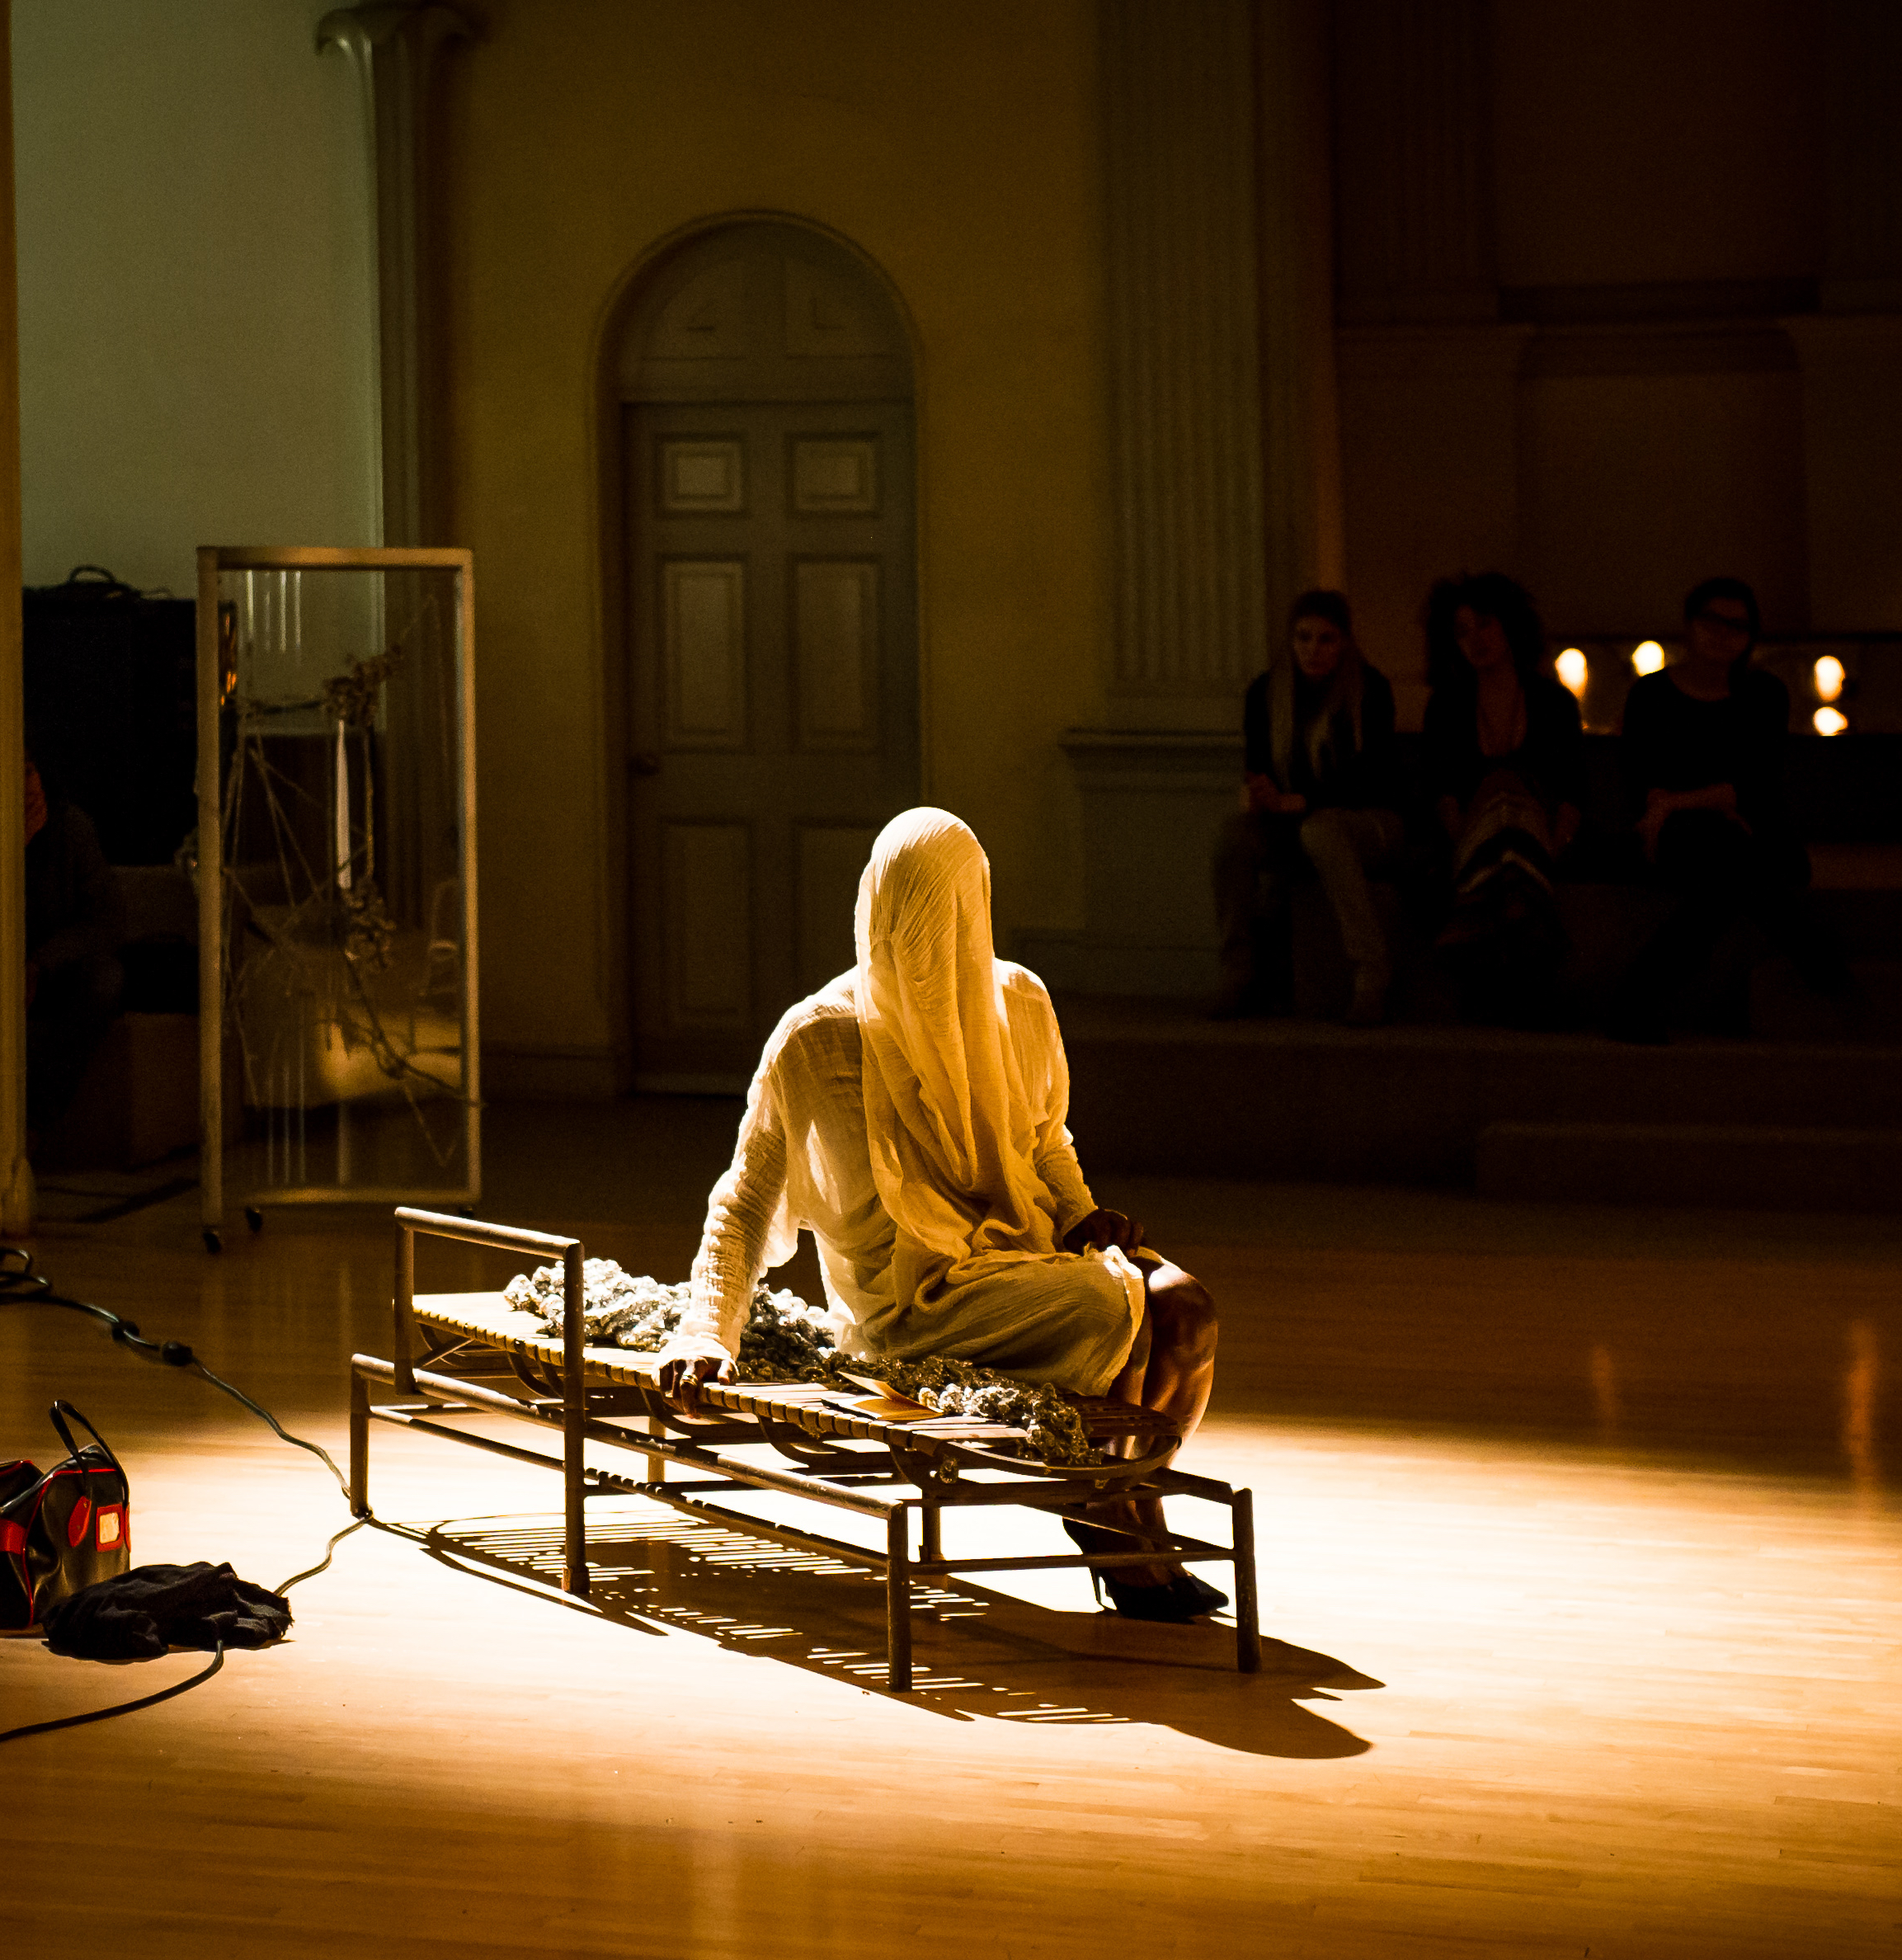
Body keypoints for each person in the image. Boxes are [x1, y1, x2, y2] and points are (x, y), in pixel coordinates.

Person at [655, 808, 1223, 1623]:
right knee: (1115, 1305)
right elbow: (745, 1196)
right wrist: (707, 1330)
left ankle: (1114, 1505)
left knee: (1187, 1309)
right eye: (907, 912)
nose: (927, 936)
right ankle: (1126, 1538)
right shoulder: (817, 1040)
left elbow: (1044, 1142)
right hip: (907, 1311)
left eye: (947, 912)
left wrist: (1081, 1215)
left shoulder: (1017, 1002)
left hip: (1020, 1261)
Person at [1609, 577, 1842, 1044]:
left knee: (1729, 860)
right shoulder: (1651, 695)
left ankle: (1637, 995)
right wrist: (1695, 805)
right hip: (1679, 834)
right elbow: (1642, 779)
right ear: (1689, 625)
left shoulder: (1764, 695)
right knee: (1723, 851)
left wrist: (1681, 800)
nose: (1724, 634)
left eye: (1738, 625)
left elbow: (1755, 785)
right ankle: (1813, 953)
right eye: (1712, 621)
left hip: (1750, 831)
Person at [1209, 590, 1405, 1025]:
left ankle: (1371, 976)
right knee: (1233, 837)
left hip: (1368, 820)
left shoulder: (1368, 690)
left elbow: (1374, 777)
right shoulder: (1266, 692)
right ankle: (1240, 971)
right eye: (1303, 638)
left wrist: (1305, 800)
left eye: (1326, 639)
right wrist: (1260, 792)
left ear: (1345, 643)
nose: (1313, 650)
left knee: (1322, 830)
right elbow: (1259, 764)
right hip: (1290, 821)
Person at [1419, 572, 1585, 1026]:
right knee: (1498, 801)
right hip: (1469, 837)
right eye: (1462, 632)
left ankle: (1475, 937)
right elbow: (1442, 791)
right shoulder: (1448, 705)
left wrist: (1551, 843)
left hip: (1541, 832)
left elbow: (1572, 789)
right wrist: (1469, 842)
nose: (1476, 639)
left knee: (1510, 801)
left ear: (1511, 626)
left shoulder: (1553, 702)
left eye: (1485, 624)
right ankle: (1529, 976)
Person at [24, 757, 129, 1123]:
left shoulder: (71, 828)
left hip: (58, 969)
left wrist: (41, 963)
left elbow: (105, 918)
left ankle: (37, 1117)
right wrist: (15, 852)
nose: (27, 787)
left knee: (105, 979)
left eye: (30, 772)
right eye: (15, 775)